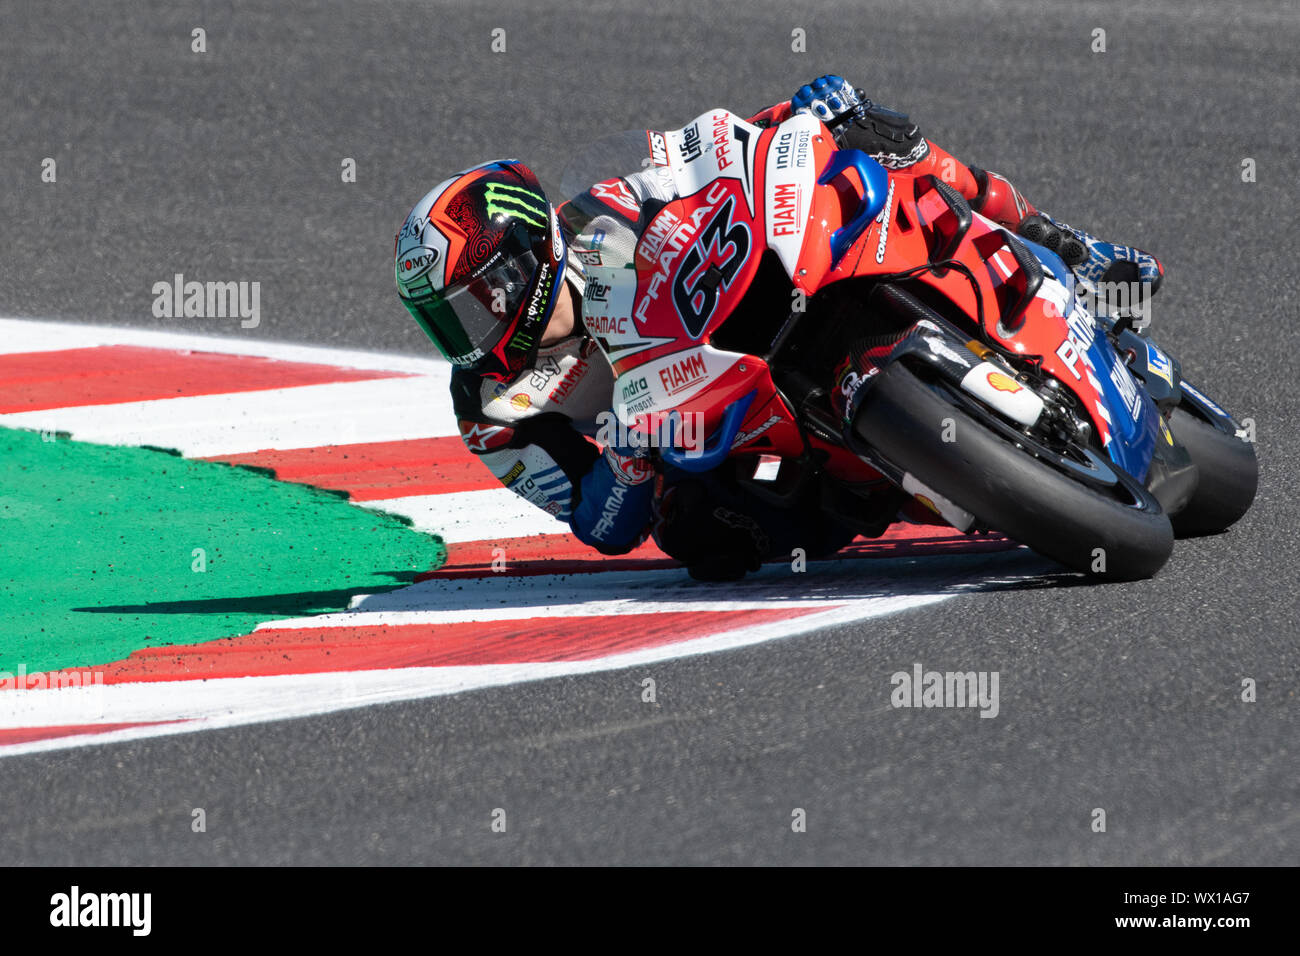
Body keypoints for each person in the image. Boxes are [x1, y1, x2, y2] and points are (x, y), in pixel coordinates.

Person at [393, 75, 1163, 580]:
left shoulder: (604, 209)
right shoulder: (493, 409)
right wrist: (625, 468)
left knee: (878, 142)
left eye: (471, 301)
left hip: (748, 312)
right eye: (445, 318)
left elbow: (708, 148)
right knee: (699, 539)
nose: (469, 331)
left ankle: (1070, 246)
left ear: (522, 257)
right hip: (706, 437)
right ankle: (881, 484)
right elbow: (598, 528)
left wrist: (797, 115)